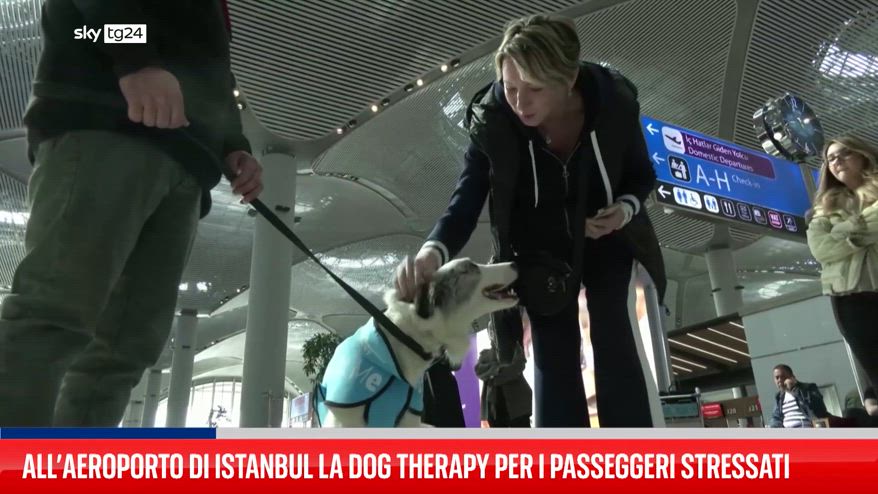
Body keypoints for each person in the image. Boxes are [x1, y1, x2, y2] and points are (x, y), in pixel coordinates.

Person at [0, 0, 262, 426]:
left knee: (124, 350)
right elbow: (85, 20)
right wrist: (136, 58)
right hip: (104, 123)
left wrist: (234, 144)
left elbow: (211, 68)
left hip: (188, 163)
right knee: (51, 317)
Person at [395, 14, 666, 427]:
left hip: (606, 238)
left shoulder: (615, 103)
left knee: (614, 339)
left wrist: (624, 209)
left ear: (569, 78)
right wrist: (433, 252)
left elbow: (642, 174)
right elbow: (466, 199)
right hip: (540, 249)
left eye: (534, 89)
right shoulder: (492, 120)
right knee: (553, 353)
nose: (520, 102)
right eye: (511, 87)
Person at [806, 136, 878, 398]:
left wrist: (840, 232)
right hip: (849, 298)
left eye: (845, 153)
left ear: (862, 155)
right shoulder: (822, 209)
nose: (837, 161)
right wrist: (861, 232)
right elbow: (820, 249)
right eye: (831, 158)